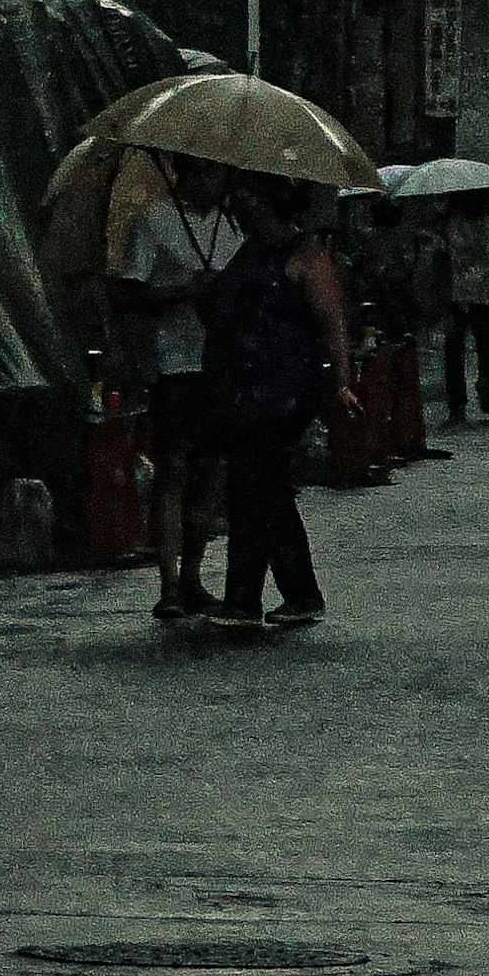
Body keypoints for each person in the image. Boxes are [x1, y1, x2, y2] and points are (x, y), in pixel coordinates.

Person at [198, 178, 355, 629]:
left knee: (255, 481)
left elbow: (332, 323)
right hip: (240, 388)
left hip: (284, 390)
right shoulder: (242, 254)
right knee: (262, 488)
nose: (237, 205)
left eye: (245, 196)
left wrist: (343, 381)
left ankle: (244, 598)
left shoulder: (305, 255)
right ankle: (297, 594)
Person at [117, 152, 244, 623]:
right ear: (184, 171)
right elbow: (127, 292)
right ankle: (169, 582)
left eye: (220, 171)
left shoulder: (232, 226)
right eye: (207, 170)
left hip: (222, 364)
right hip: (174, 365)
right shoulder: (152, 222)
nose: (216, 180)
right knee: (173, 469)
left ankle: (193, 575)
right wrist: (185, 290)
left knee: (212, 471)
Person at [442, 184, 489, 420]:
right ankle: (483, 383)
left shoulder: (453, 222)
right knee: (485, 344)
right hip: (483, 292)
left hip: (461, 292)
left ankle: (460, 401)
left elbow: (453, 256)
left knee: (457, 348)